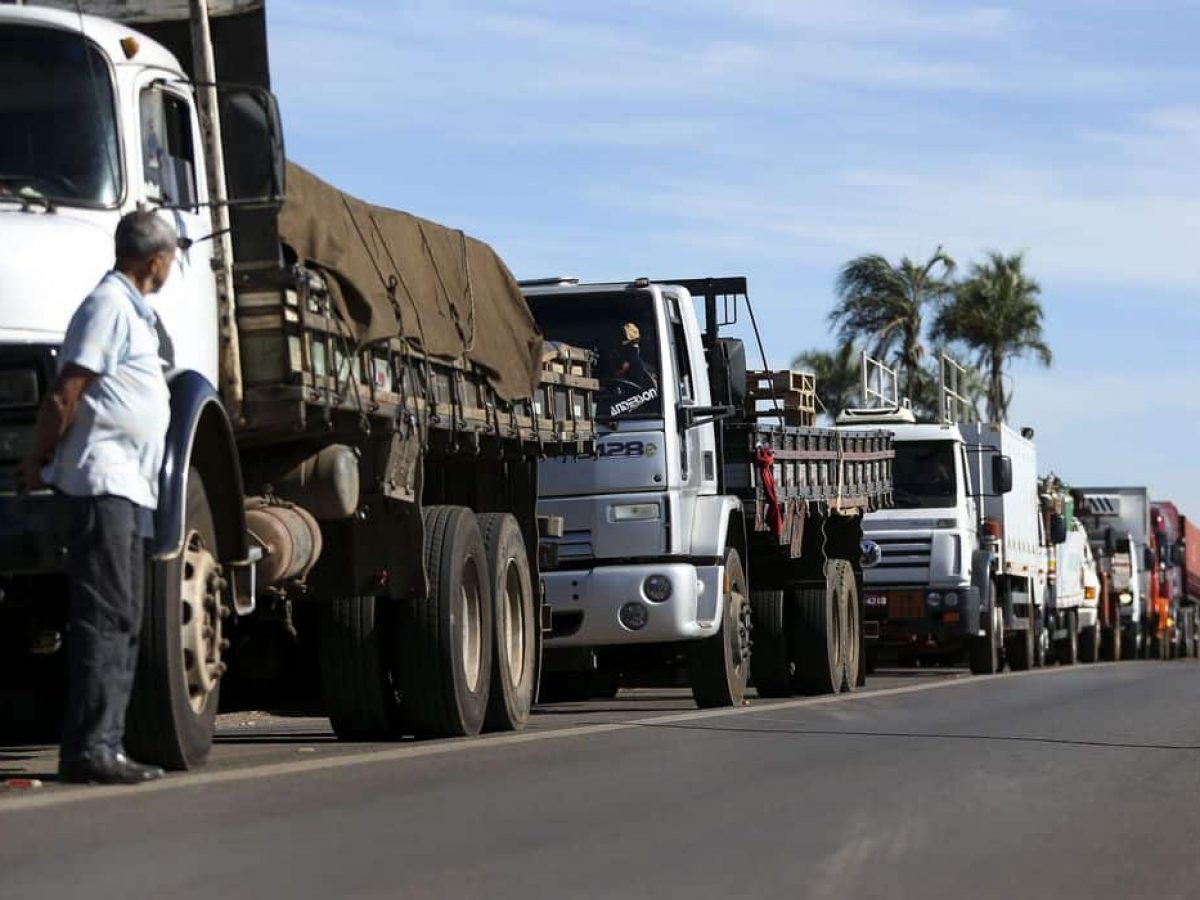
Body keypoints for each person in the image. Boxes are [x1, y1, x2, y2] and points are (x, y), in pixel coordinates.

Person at [22, 211, 176, 785]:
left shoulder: (132, 310)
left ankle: (103, 742)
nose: (172, 266)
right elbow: (66, 393)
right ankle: (91, 749)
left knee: (123, 616)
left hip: (127, 486)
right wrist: (38, 459)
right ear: (154, 260)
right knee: (107, 616)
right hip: (101, 482)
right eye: (170, 257)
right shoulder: (108, 305)